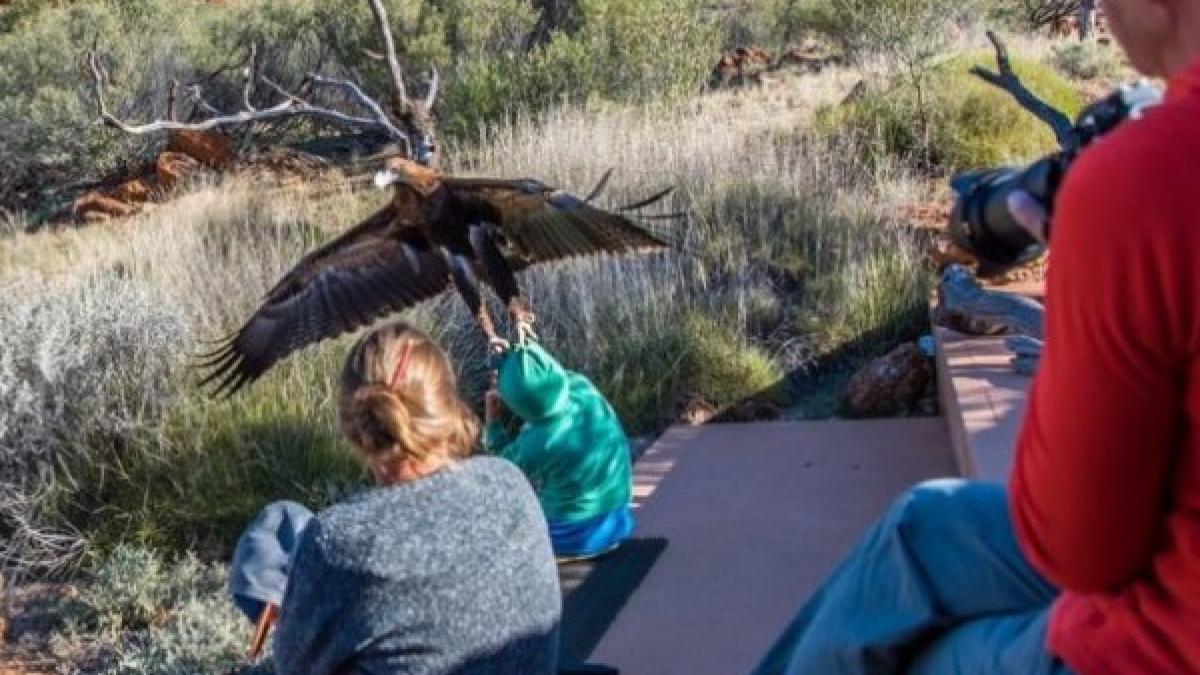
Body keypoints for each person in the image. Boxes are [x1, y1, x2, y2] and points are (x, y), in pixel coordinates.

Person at [753, 2, 1200, 673]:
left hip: (1166, 644)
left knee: (921, 656)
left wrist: (1086, 276)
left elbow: (1077, 549)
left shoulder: (1149, 179)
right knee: (924, 525)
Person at [269, 322, 561, 674]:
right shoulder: (509, 483)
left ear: (352, 428)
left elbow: (291, 668)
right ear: (448, 406)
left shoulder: (336, 543)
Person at [484, 342, 635, 561]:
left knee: (501, 523)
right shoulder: (581, 386)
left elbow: (500, 469)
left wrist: (493, 425)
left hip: (571, 536)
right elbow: (543, 378)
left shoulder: (538, 442)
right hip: (619, 521)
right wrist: (519, 359)